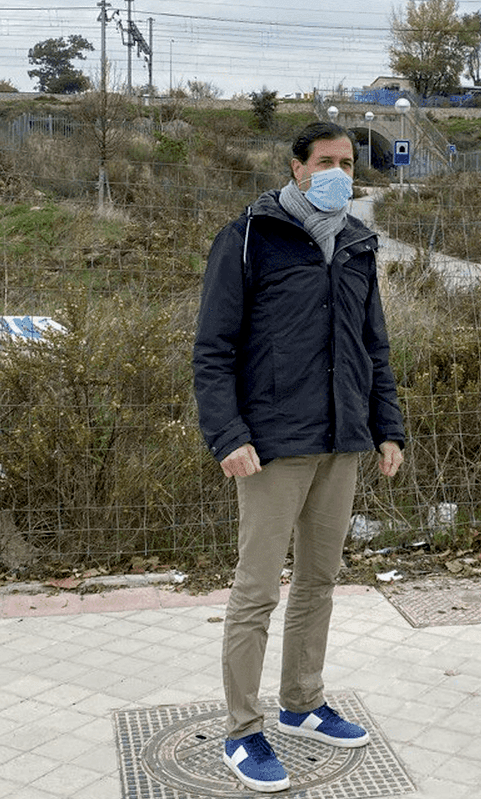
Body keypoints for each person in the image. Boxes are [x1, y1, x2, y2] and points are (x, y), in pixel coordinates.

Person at [192, 120, 405, 793]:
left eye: (348, 163)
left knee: (319, 579)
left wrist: (387, 428)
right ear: (296, 168)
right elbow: (213, 348)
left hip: (343, 440)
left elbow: (375, 347)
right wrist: (227, 435)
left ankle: (303, 700)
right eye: (326, 162)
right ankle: (242, 730)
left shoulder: (358, 243)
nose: (340, 172)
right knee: (256, 590)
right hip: (272, 445)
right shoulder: (251, 237)